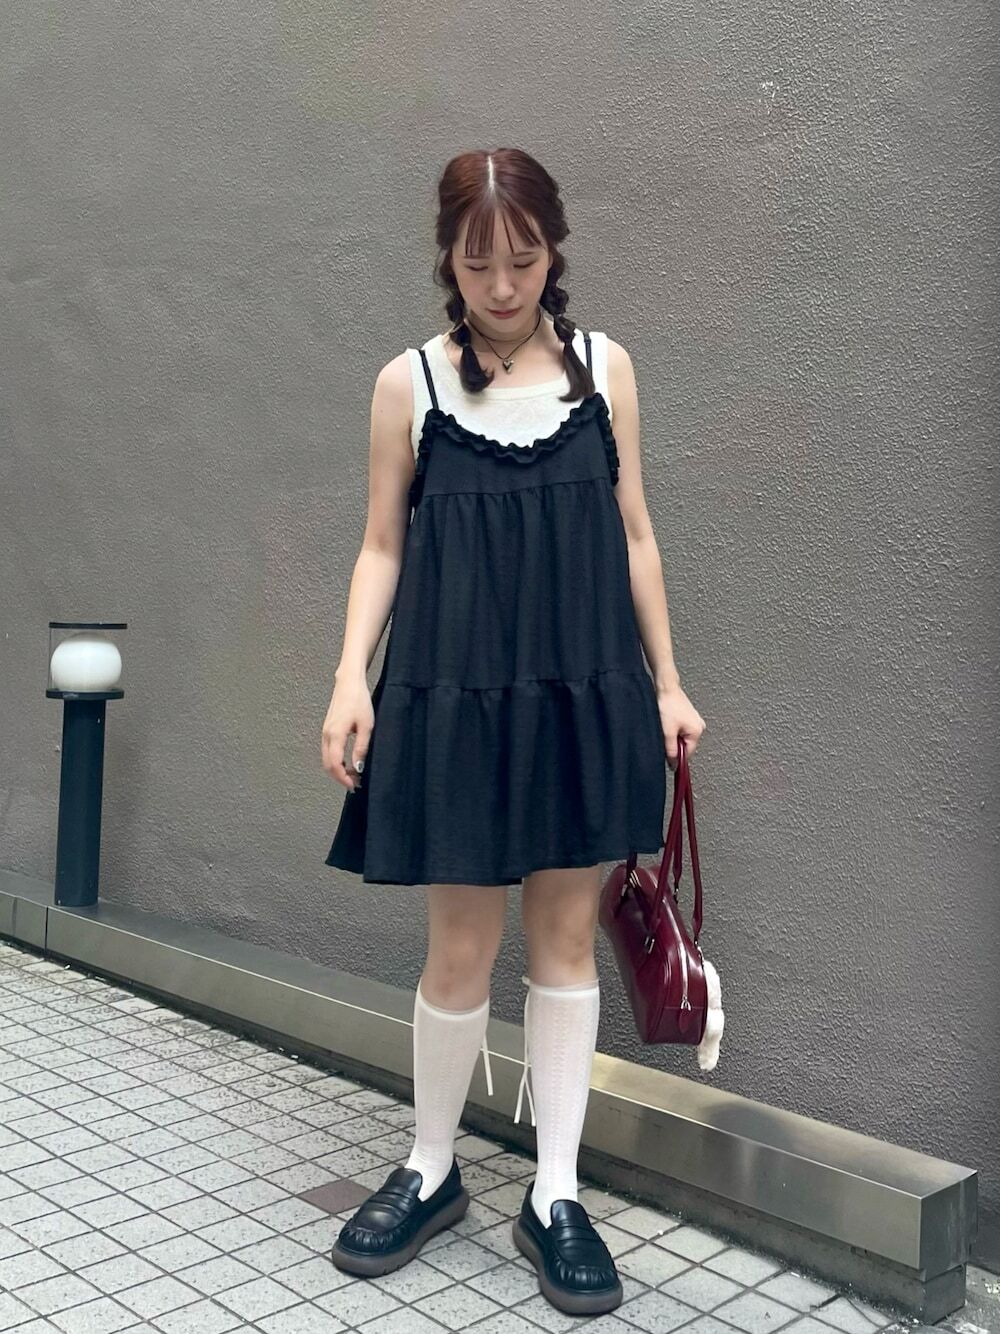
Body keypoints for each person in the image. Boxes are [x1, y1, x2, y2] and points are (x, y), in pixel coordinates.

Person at [320, 146, 705, 1317]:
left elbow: (635, 533)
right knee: (456, 946)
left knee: (565, 941)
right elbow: (380, 545)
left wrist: (668, 682)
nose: (500, 284)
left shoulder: (605, 371)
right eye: (477, 260)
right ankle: (430, 1166)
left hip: (583, 689)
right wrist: (349, 678)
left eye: (524, 260)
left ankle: (555, 1190)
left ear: (554, 252)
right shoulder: (408, 386)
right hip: (451, 692)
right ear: (447, 257)